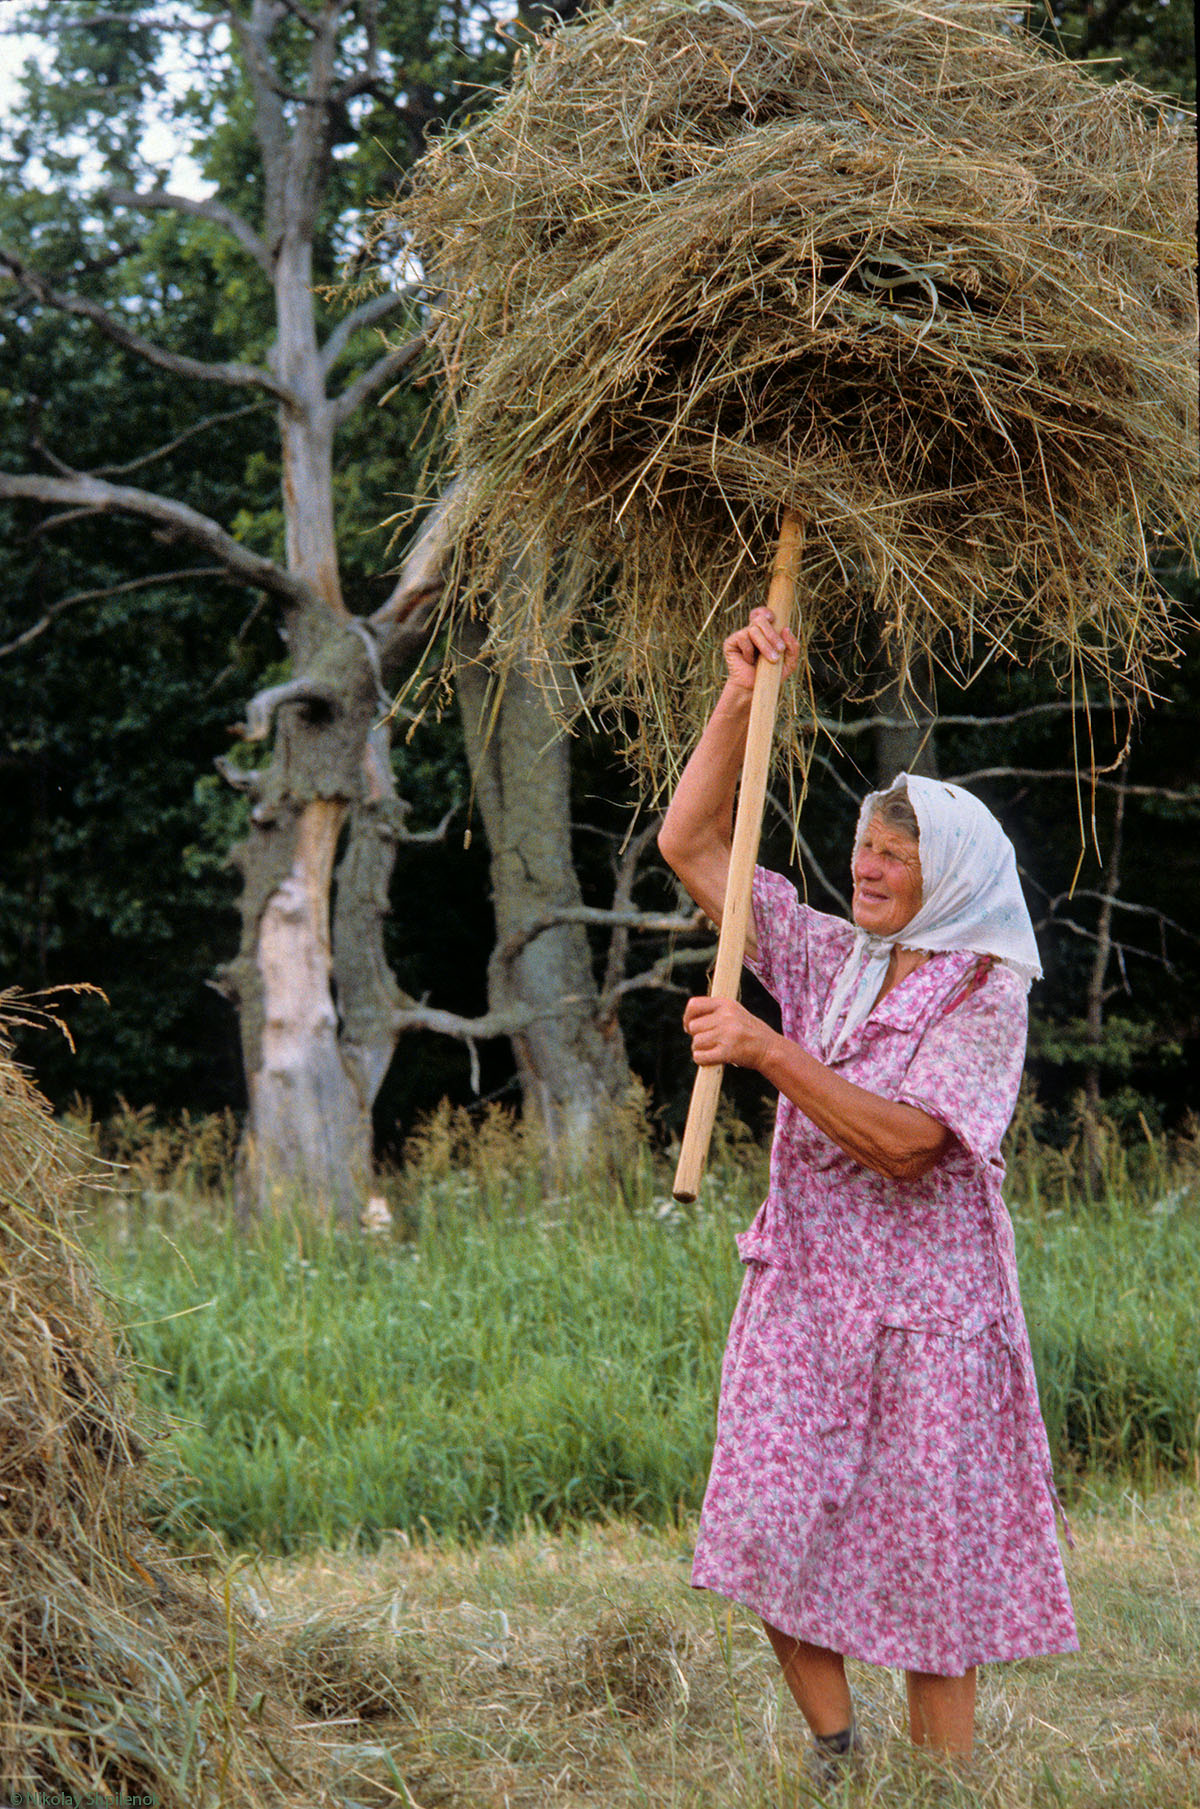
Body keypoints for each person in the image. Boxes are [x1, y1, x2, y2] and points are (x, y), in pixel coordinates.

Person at [658, 606, 1077, 1774]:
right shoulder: (829, 958)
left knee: (924, 1565)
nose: (867, 865)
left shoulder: (984, 991)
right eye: (863, 846)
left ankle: (944, 1790)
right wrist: (742, 695)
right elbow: (691, 846)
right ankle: (840, 1756)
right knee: (764, 1525)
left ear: (954, 875)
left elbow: (905, 1145)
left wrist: (766, 1049)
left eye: (896, 852)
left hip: (929, 1318)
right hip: (805, 1295)